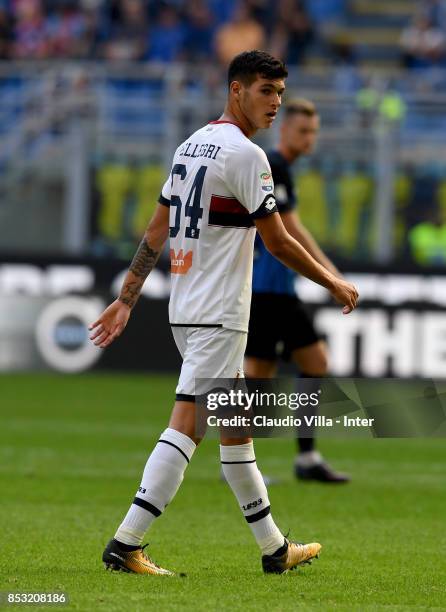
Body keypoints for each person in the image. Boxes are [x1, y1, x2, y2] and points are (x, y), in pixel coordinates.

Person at [89, 50, 358, 576]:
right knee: (188, 426)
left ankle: (275, 549)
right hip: (218, 315)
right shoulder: (247, 156)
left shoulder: (190, 146)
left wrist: (127, 298)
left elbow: (154, 232)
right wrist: (332, 280)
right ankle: (126, 543)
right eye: (265, 90)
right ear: (236, 90)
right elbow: (277, 242)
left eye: (280, 91)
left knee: (236, 429)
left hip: (188, 310)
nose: (276, 102)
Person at [245, 98, 350, 483]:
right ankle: (239, 463)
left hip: (280, 289)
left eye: (314, 132)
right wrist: (331, 275)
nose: (310, 139)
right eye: (303, 131)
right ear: (285, 130)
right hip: (265, 288)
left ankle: (306, 459)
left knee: (313, 364)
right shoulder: (273, 166)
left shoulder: (283, 169)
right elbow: (290, 231)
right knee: (258, 374)